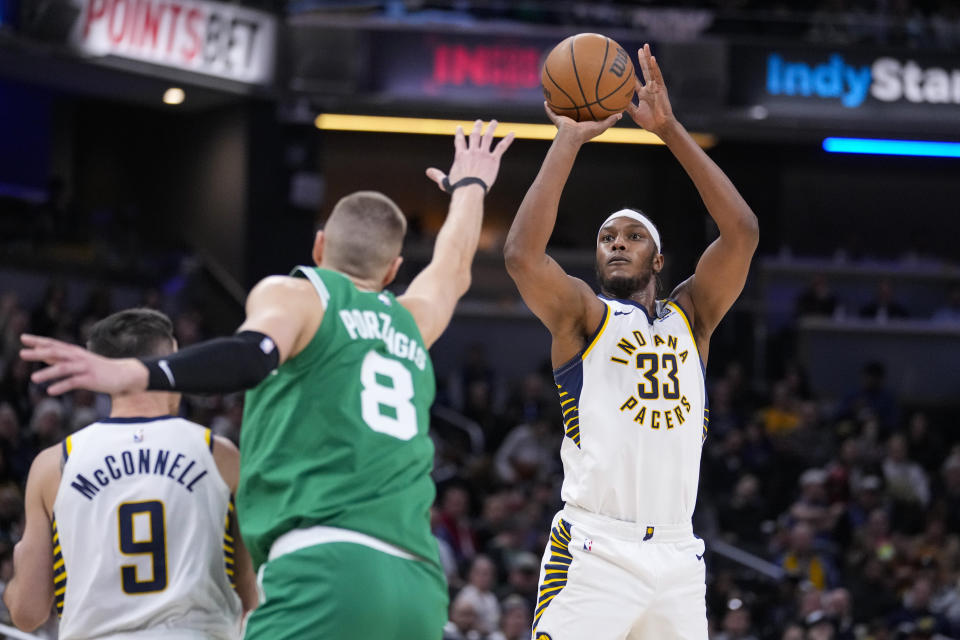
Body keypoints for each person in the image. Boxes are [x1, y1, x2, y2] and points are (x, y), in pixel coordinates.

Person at [20, 120, 514, 639]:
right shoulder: (411, 321)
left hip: (323, 571)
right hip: (418, 583)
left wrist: (135, 371)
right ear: (392, 271)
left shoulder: (300, 294)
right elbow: (454, 265)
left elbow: (251, 354)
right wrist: (470, 188)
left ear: (319, 247)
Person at [503, 44, 758, 639]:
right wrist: (567, 139)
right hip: (595, 551)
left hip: (676, 554)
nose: (617, 242)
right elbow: (520, 256)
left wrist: (669, 130)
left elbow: (741, 231)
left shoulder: (691, 316)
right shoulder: (584, 319)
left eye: (633, 235)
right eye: (606, 237)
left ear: (658, 256)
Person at [4, 309, 257, 638]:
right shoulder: (219, 455)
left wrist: (17, 577)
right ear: (175, 359)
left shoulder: (54, 465)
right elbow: (249, 595)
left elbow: (28, 612)